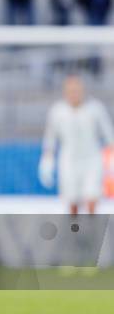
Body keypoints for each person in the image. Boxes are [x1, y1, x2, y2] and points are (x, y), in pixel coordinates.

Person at [39, 75, 114, 215]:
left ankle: (93, 231)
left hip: (92, 159)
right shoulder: (57, 111)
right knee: (72, 200)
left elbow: (109, 135)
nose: (74, 94)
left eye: (77, 90)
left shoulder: (95, 109)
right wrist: (47, 160)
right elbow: (50, 138)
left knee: (92, 197)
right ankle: (75, 232)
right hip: (69, 161)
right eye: (70, 90)